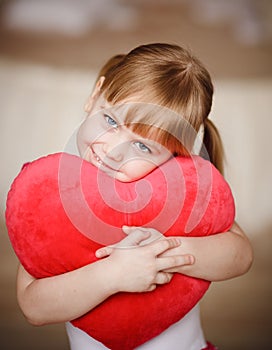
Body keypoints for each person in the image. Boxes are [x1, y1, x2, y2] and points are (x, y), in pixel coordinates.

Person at [16, 43, 253, 350]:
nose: (114, 151)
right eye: (111, 121)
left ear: (175, 154)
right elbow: (33, 306)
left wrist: (160, 251)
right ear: (94, 95)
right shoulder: (54, 198)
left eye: (143, 147)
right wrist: (114, 273)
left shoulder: (177, 199)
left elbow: (241, 255)